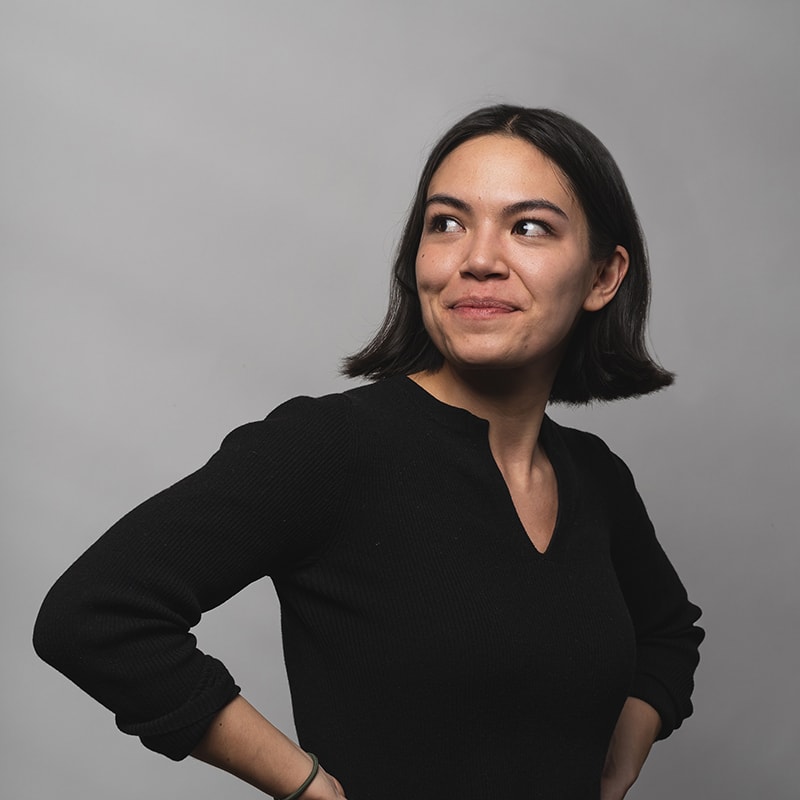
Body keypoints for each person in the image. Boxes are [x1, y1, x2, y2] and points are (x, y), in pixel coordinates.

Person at [34, 105, 704, 800]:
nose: (478, 259)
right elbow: (94, 614)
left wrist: (617, 761)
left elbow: (669, 634)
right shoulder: (331, 448)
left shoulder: (596, 478)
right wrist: (304, 786)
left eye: (528, 227)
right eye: (446, 223)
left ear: (603, 276)